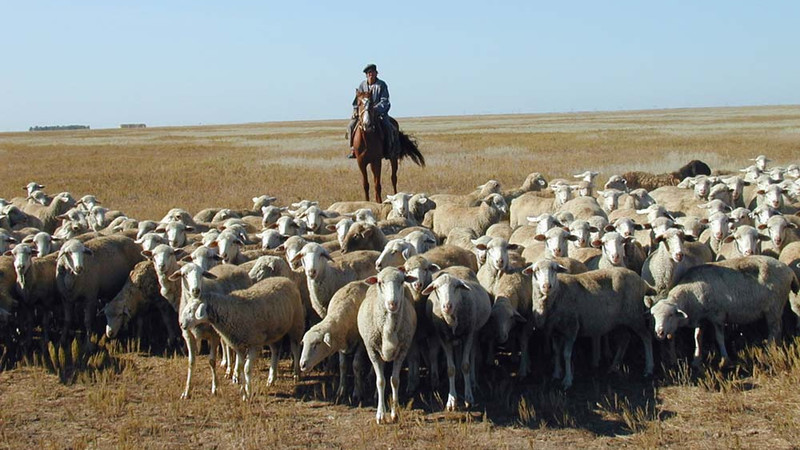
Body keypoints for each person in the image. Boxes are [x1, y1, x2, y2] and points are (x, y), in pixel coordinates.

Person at [347, 64, 397, 158]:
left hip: (379, 113)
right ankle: (353, 149)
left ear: (376, 73)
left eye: (373, 72)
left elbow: (385, 100)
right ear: (366, 75)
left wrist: (375, 109)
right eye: (369, 73)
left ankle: (389, 148)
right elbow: (356, 101)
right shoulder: (362, 85)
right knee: (350, 126)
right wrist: (355, 111)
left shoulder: (382, 85)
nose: (371, 74)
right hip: (363, 113)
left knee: (388, 127)